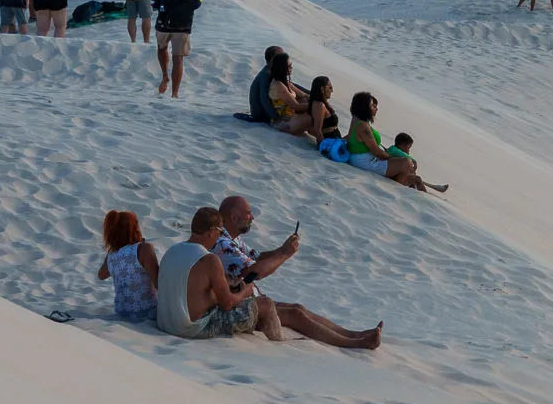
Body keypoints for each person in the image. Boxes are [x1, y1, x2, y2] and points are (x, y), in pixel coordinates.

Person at [158, 206, 379, 348]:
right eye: (218, 232)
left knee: (296, 309)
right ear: (211, 232)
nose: (219, 236)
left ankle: (354, 336)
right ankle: (279, 347)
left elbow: (191, 289)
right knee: (266, 304)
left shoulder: (173, 250)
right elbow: (227, 304)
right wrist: (245, 291)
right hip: (192, 328)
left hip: (168, 322)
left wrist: (228, 286)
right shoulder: (209, 258)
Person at [347, 93, 447, 191]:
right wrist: (392, 157)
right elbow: (377, 152)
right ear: (365, 107)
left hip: (362, 159)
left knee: (409, 170)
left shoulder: (356, 120)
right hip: (366, 162)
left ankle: (410, 183)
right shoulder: (363, 126)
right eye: (373, 106)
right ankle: (403, 184)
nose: (376, 109)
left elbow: (350, 137)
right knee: (406, 163)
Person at [97, 209, 160, 322]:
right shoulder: (144, 249)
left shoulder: (112, 256)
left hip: (122, 314)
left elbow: (101, 275)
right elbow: (158, 283)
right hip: (147, 314)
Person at [153, 0, 200, 98]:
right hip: (183, 25)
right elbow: (197, 3)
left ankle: (165, 75)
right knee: (178, 58)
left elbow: (153, 2)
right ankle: (175, 93)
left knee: (162, 48)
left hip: (163, 23)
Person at [243, 45, 286, 123]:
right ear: (273, 59)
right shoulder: (265, 75)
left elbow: (290, 84)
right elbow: (264, 99)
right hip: (260, 114)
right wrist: (277, 117)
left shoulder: (273, 71)